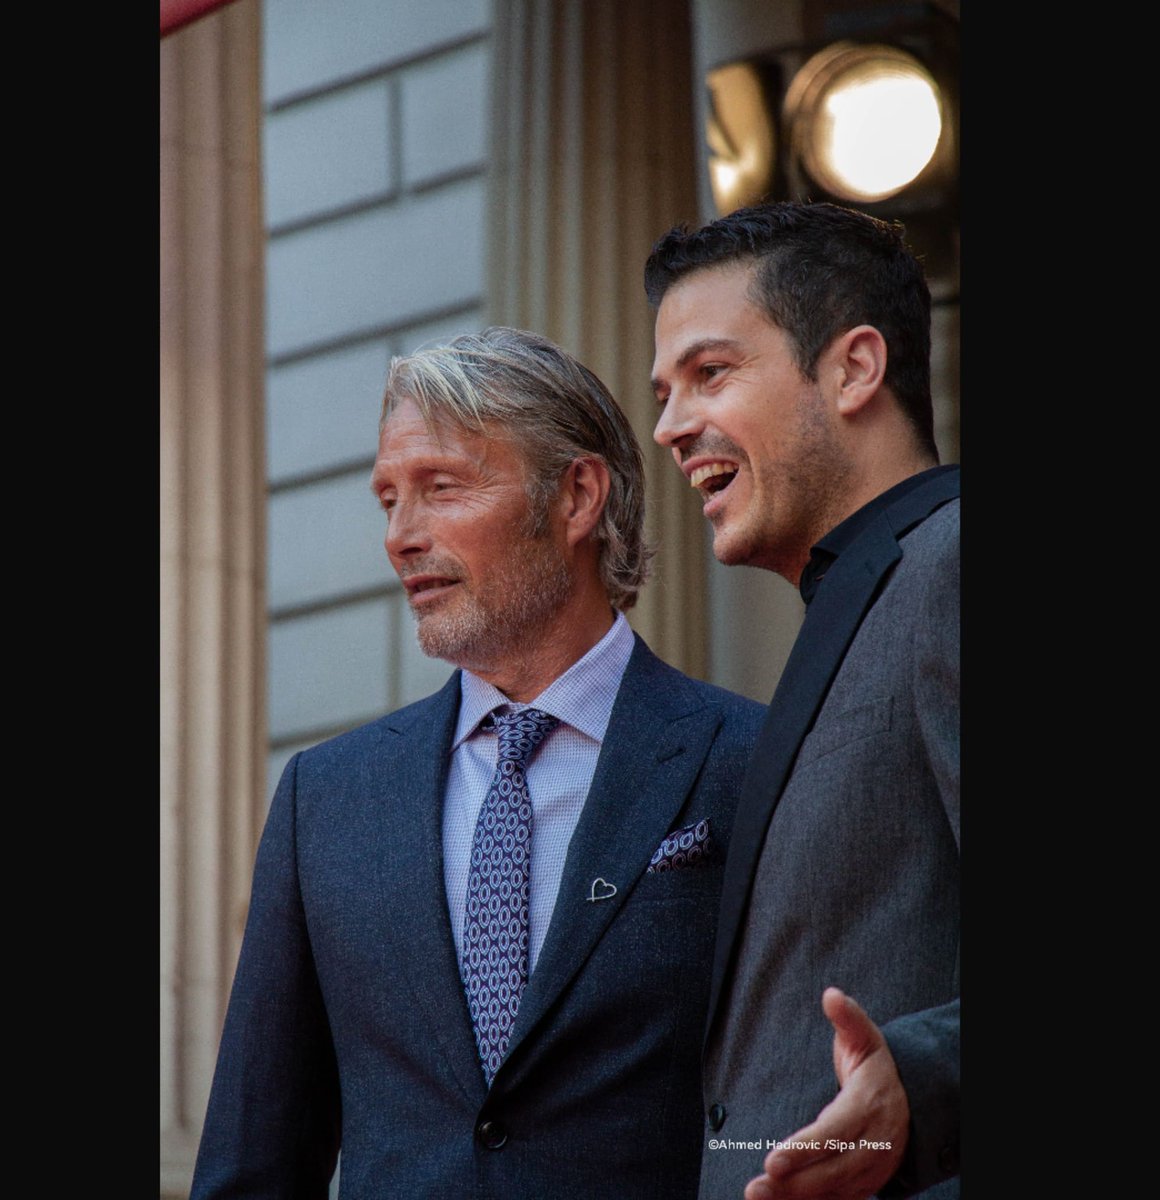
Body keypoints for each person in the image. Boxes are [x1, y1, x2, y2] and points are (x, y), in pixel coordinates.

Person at [191, 326, 766, 1199]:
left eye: (441, 488)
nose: (400, 536)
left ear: (576, 496)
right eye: (387, 499)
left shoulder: (751, 759)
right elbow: (256, 1156)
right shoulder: (328, 798)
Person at [645, 201, 959, 1200]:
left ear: (854, 369)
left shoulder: (954, 565)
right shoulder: (865, 598)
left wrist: (920, 1085)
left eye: (712, 372)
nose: (668, 426)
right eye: (665, 390)